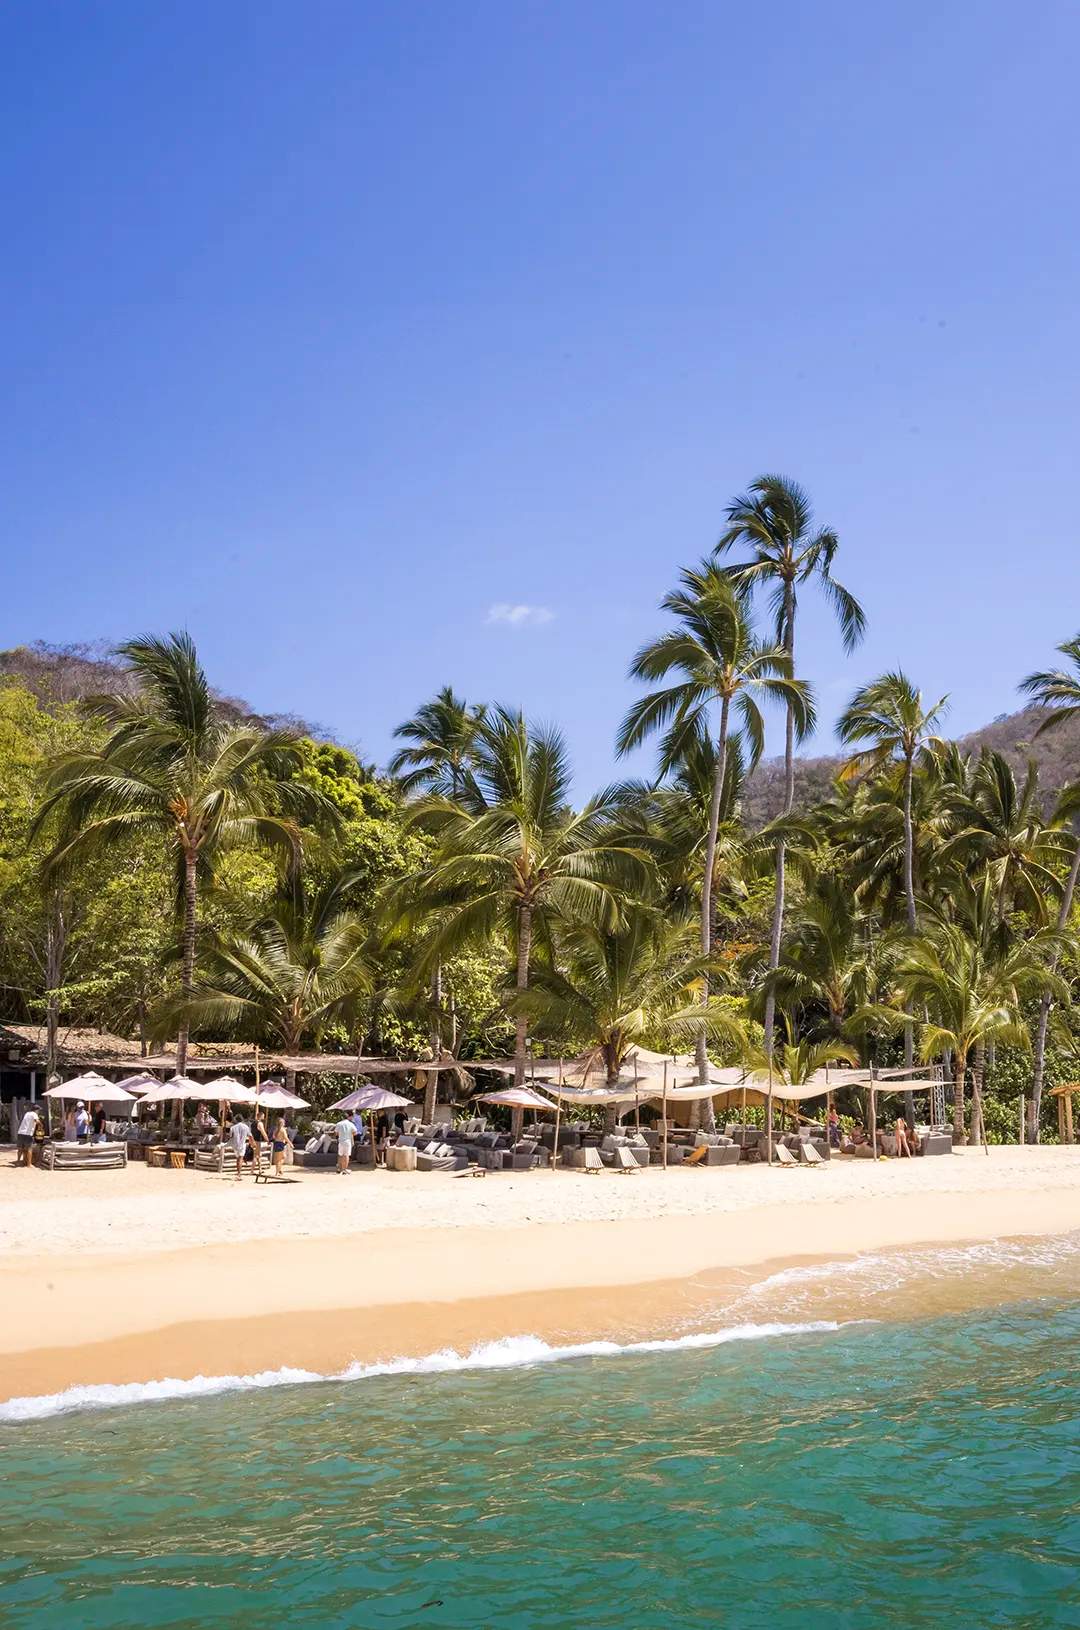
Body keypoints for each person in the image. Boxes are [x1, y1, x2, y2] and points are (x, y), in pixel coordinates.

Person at [230, 1113, 252, 1180]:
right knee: (241, 1159)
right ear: (242, 1119)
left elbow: (230, 1136)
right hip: (242, 1144)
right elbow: (250, 1136)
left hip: (235, 1144)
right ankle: (239, 1174)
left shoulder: (232, 1127)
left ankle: (238, 1173)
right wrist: (252, 1143)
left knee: (237, 1159)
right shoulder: (246, 1127)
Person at [271, 1114, 292, 1179]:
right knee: (281, 1159)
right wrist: (291, 1144)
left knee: (278, 1159)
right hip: (281, 1144)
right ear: (282, 1123)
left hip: (276, 1143)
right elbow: (286, 1138)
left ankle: (279, 1171)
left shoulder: (276, 1129)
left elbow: (273, 1137)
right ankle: (277, 1172)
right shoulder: (283, 1130)